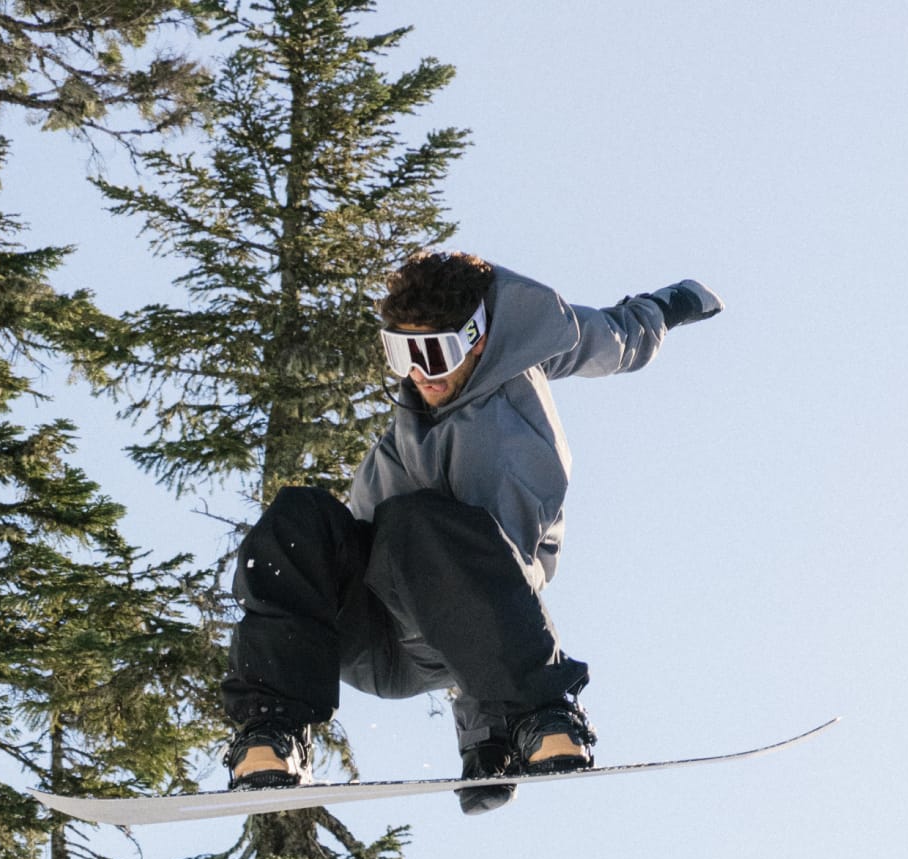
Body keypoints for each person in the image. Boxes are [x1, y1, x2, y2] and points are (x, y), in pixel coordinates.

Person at [221, 249, 723, 812]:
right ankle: (272, 729)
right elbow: (621, 333)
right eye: (403, 352)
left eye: (435, 354)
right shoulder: (446, 382)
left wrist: (488, 737)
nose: (419, 374)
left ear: (479, 339)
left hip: (458, 632)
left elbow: (504, 584)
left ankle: (543, 714)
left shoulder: (512, 450)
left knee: (418, 521)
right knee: (300, 513)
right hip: (367, 621)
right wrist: (669, 304)